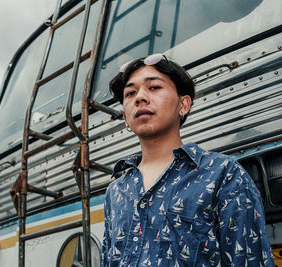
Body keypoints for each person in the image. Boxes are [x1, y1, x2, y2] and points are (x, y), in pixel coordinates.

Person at [100, 54, 274, 266]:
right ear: (126, 117)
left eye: (154, 87)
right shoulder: (116, 191)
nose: (140, 98)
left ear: (183, 105)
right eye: (130, 93)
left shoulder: (223, 174)